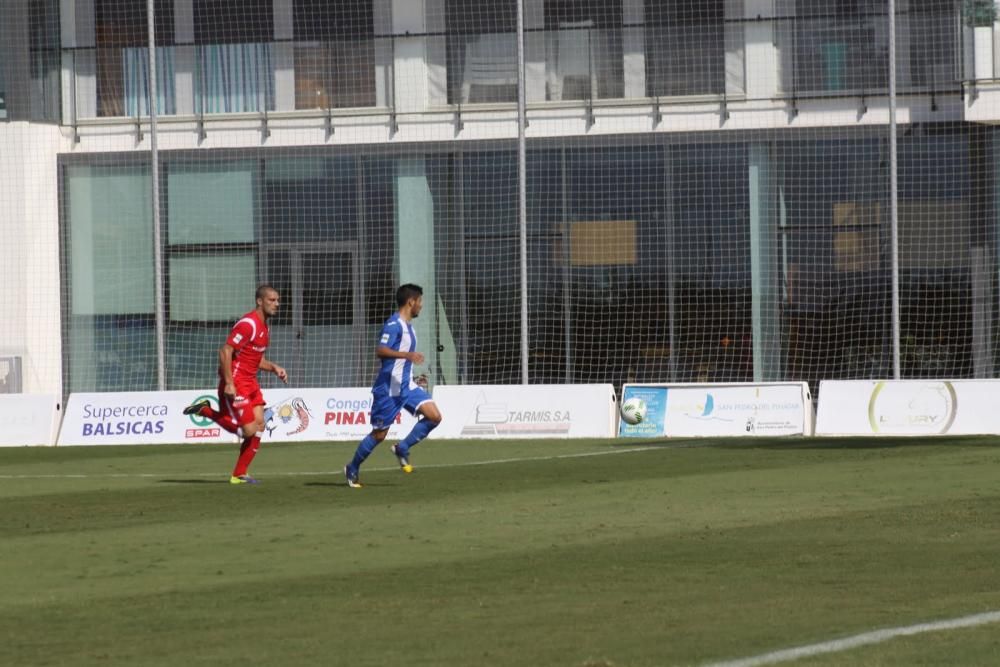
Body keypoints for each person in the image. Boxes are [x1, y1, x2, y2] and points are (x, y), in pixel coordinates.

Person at [184, 285, 288, 484]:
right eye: (272, 300)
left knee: (260, 425)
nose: (277, 304)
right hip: (237, 381)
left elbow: (255, 359)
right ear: (259, 301)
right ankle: (206, 411)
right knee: (247, 431)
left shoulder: (266, 326)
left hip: (251, 382)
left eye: (277, 300)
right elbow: (225, 351)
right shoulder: (248, 324)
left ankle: (239, 473)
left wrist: (274, 367)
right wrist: (229, 383)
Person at [345, 283, 442, 488]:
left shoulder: (409, 327)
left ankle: (402, 448)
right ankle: (352, 468)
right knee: (379, 434)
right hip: (389, 388)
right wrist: (406, 354)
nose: (421, 306)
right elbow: (380, 350)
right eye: (420, 301)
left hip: (406, 384)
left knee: (434, 416)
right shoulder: (393, 324)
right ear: (411, 302)